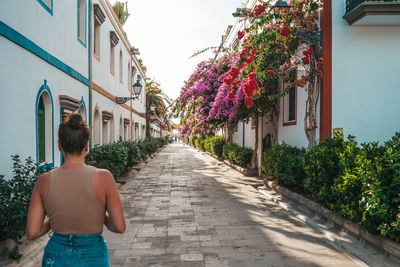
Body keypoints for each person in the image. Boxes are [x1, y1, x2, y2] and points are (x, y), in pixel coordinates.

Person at [26, 113, 125, 266]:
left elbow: (32, 232)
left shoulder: (44, 180)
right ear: (86, 145)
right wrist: (101, 216)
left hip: (56, 254)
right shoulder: (104, 177)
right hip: (93, 254)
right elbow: (119, 226)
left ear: (60, 146)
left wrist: (55, 219)